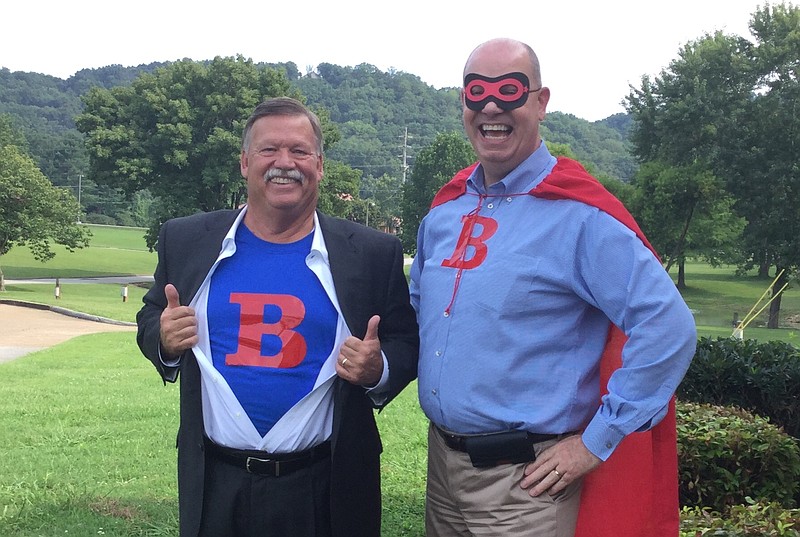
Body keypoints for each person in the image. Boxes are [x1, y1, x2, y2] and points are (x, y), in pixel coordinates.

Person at [410, 38, 697, 537]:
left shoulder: (580, 216)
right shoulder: (444, 212)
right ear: (463, 104)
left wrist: (595, 442)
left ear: (540, 102)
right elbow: (421, 318)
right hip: (442, 473)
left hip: (527, 487)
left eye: (510, 90)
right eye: (476, 92)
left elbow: (668, 327)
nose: (491, 106)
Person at [136, 97, 419, 537]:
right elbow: (152, 313)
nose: (284, 163)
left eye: (299, 151)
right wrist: (164, 340)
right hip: (216, 481)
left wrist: (377, 368)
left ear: (320, 165)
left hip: (325, 485)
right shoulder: (187, 238)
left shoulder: (371, 254)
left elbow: (405, 342)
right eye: (269, 150)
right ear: (245, 162)